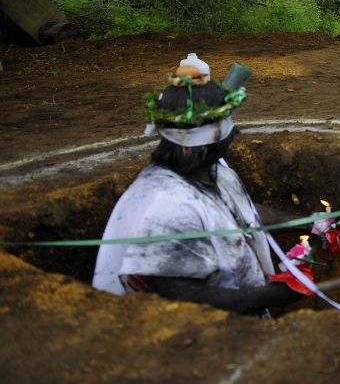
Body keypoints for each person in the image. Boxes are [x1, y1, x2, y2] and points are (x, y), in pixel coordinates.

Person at [92, 53, 305, 314]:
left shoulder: (213, 171)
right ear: (207, 142)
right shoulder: (169, 208)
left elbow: (239, 214)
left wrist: (305, 222)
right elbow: (182, 301)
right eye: (229, 128)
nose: (236, 133)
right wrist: (275, 295)